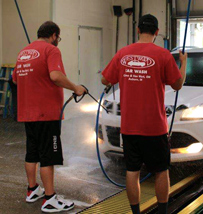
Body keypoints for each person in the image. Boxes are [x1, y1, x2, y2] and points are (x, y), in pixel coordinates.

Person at [101, 14, 187, 214]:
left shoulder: (123, 54)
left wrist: (125, 76)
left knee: (132, 171)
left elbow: (105, 80)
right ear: (157, 32)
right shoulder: (163, 55)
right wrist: (183, 62)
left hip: (129, 127)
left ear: (138, 30)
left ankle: (136, 213)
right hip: (154, 127)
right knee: (160, 171)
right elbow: (178, 84)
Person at [12, 21, 86, 213]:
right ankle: (50, 198)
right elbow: (55, 76)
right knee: (48, 156)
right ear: (53, 35)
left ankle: (32, 190)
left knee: (32, 152)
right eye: (58, 38)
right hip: (46, 114)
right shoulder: (51, 50)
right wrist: (76, 87)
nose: (57, 42)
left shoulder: (23, 52)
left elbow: (15, 78)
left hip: (27, 113)